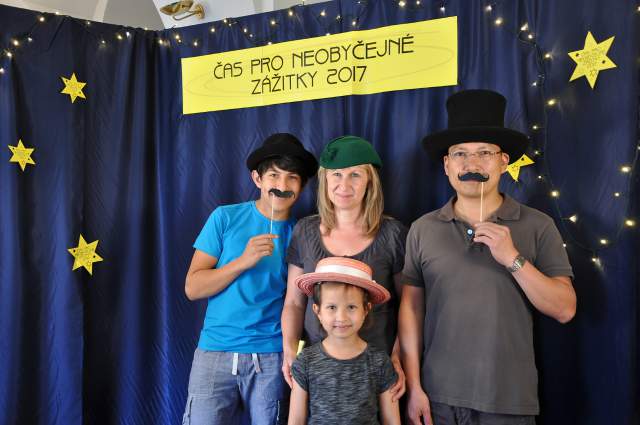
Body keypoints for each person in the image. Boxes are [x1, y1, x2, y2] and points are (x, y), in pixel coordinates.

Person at [399, 89, 577, 425]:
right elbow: (411, 309)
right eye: (460, 154)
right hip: (438, 400)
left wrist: (513, 258)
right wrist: (415, 386)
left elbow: (565, 309)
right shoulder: (422, 229)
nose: (472, 165)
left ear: (503, 161)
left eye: (484, 153)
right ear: (447, 165)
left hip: (507, 400)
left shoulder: (538, 225)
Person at [182, 133, 318, 425]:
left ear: (303, 185)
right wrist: (243, 261)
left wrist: (290, 352)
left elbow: (296, 303)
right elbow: (193, 288)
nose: (282, 185)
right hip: (215, 352)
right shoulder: (225, 218)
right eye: (274, 176)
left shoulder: (302, 234)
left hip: (271, 358)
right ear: (257, 179)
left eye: (292, 178)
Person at [281, 135, 407, 400]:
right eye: (336, 174)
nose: (344, 184)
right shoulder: (305, 231)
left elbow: (408, 305)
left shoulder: (393, 234)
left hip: (376, 373)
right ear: (325, 179)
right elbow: (294, 302)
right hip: (317, 371)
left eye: (355, 175)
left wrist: (399, 354)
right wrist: (290, 349)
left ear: (370, 180)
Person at [288, 257, 402, 425]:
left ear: (366, 309)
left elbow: (392, 420)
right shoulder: (305, 362)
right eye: (332, 307)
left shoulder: (380, 362)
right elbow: (296, 420)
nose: (341, 317)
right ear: (317, 311)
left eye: (351, 307)